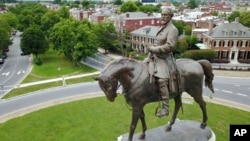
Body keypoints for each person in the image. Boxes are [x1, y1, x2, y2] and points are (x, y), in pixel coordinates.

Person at [146, 8, 179, 118]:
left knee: (161, 80)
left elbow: (170, 46)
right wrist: (150, 53)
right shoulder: (162, 27)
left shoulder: (173, 29)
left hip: (165, 59)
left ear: (171, 16)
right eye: (162, 14)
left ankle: (165, 108)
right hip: (155, 56)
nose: (163, 16)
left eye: (165, 15)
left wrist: (153, 50)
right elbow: (157, 43)